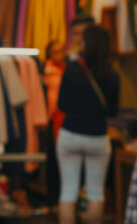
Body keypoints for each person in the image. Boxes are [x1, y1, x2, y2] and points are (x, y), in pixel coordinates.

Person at [57, 25, 119, 224]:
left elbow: (62, 104)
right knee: (95, 193)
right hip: (97, 137)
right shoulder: (113, 75)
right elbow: (113, 111)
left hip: (70, 134)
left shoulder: (72, 69)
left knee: (68, 192)